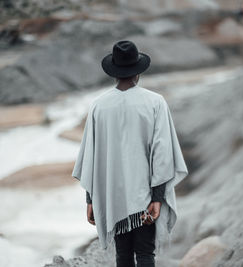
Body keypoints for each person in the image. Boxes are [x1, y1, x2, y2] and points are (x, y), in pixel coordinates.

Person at [72, 40, 188, 267]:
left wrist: (91, 200)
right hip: (144, 195)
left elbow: (90, 158)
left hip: (113, 197)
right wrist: (157, 197)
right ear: (138, 72)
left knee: (122, 255)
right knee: (145, 253)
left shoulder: (99, 106)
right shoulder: (155, 102)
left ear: (114, 72)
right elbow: (162, 154)